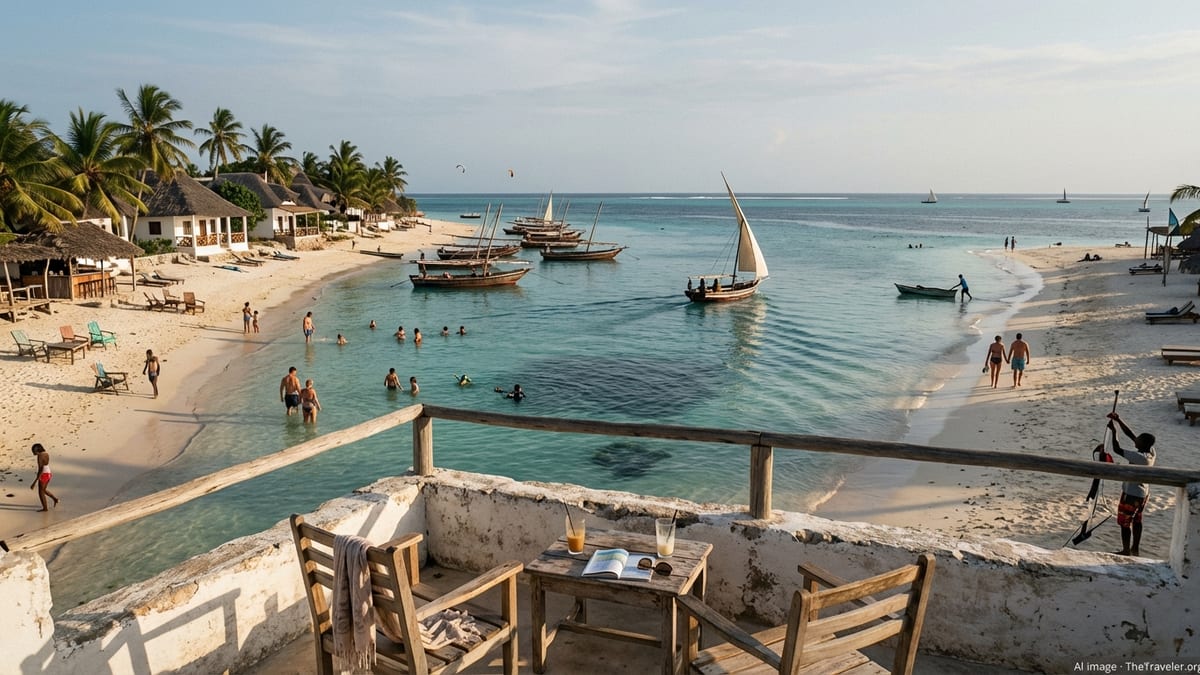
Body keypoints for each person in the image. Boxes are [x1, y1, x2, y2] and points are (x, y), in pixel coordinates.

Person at [1106, 412, 1156, 556]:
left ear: (1143, 444)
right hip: (1143, 493)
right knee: (1137, 520)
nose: (1135, 441)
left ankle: (1126, 550)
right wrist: (1118, 420)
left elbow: (1117, 449)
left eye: (1138, 440)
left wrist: (1114, 431)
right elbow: (1130, 434)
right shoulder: (1150, 451)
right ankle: (1135, 548)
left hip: (1131, 494)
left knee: (1124, 522)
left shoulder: (1140, 457)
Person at [30, 443, 59, 511]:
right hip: (48, 472)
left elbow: (41, 469)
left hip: (43, 474)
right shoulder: (46, 453)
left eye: (33, 451)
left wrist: (34, 482)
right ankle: (55, 499)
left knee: (41, 492)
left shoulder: (40, 456)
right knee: (43, 490)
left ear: (37, 450)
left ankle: (45, 508)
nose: (33, 453)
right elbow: (45, 465)